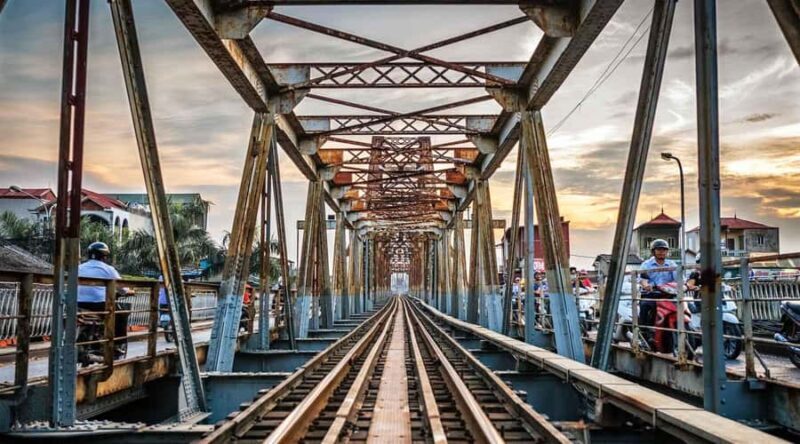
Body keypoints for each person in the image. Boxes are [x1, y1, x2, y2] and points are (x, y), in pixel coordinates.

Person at [78, 242, 130, 357]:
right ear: (104, 256)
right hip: (99, 304)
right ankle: (118, 344)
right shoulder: (108, 269)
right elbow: (123, 289)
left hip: (78, 304)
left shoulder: (79, 268)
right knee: (122, 313)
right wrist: (129, 292)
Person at [638, 239, 678, 326]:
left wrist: (686, 285)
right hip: (652, 294)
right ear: (653, 251)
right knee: (645, 305)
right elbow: (642, 279)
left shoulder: (672, 264)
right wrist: (646, 286)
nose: (661, 252)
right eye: (659, 250)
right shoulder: (646, 264)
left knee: (685, 305)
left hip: (668, 294)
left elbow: (679, 279)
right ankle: (643, 332)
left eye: (664, 250)